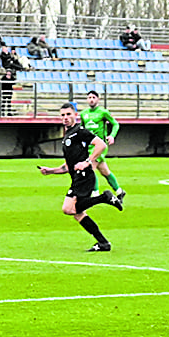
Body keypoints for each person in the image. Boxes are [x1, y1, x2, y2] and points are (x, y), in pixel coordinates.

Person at [38, 103, 120, 251]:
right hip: (77, 177)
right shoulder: (68, 135)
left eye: (68, 114)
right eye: (62, 115)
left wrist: (87, 162)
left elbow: (100, 145)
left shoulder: (79, 131)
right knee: (78, 213)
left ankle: (104, 198)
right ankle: (103, 243)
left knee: (68, 209)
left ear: (75, 115)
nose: (65, 118)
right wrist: (51, 171)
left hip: (84, 177)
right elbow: (69, 165)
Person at [78, 90, 126, 205]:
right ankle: (119, 191)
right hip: (88, 146)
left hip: (99, 146)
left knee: (90, 169)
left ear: (98, 99)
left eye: (93, 97)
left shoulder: (103, 112)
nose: (91, 99)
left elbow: (115, 124)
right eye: (89, 97)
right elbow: (81, 129)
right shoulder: (83, 114)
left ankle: (95, 194)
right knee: (104, 171)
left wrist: (112, 136)